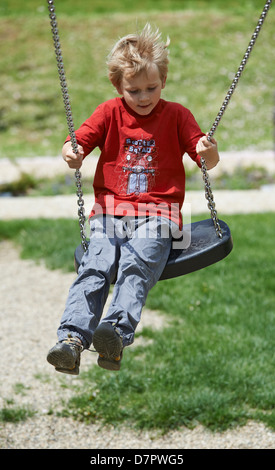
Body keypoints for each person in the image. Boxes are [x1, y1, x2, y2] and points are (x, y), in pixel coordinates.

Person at [47, 23, 219, 375]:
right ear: (118, 86)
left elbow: (206, 161)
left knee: (136, 263)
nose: (143, 97)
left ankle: (114, 333)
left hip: (160, 215)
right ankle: (71, 340)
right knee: (94, 269)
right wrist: (71, 151)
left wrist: (208, 150)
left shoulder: (176, 116)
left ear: (163, 81)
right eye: (134, 90)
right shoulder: (108, 113)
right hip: (109, 213)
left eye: (151, 88)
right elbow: (76, 143)